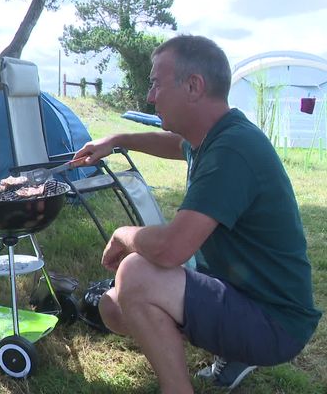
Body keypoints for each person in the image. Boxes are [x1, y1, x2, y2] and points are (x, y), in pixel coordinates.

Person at [73, 35, 322, 393]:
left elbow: (172, 249)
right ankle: (231, 348)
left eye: (157, 83)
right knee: (113, 307)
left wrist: (123, 234)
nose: (150, 96)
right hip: (242, 292)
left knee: (137, 273)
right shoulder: (211, 137)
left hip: (275, 322)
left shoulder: (232, 150)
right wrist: (116, 140)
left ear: (193, 86)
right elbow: (177, 145)